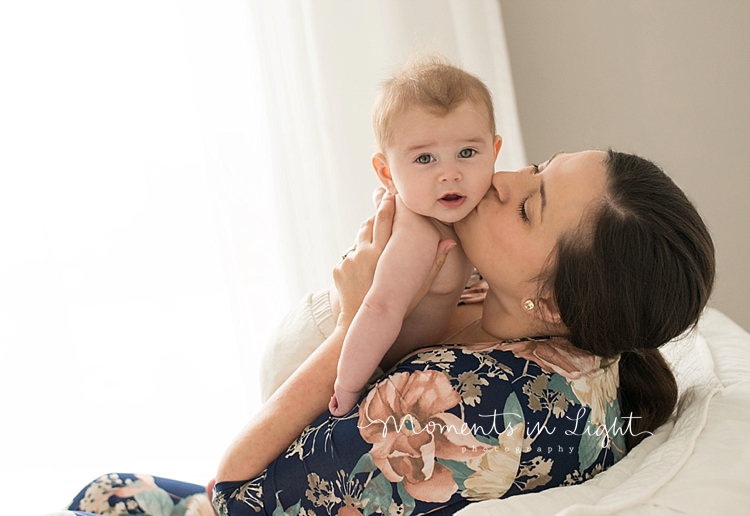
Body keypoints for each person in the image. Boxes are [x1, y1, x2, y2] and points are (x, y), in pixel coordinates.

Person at [62, 150, 715, 516]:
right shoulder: (579, 339)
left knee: (100, 494)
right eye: (539, 166)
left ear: (549, 301)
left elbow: (231, 485)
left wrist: (356, 325)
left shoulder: (461, 410)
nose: (504, 177)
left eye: (528, 203)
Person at [322, 57, 504, 416]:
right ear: (387, 174)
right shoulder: (417, 233)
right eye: (425, 159)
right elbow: (380, 308)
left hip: (365, 338)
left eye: (467, 153)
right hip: (334, 340)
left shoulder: (479, 206)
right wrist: (347, 386)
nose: (450, 174)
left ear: (494, 152)